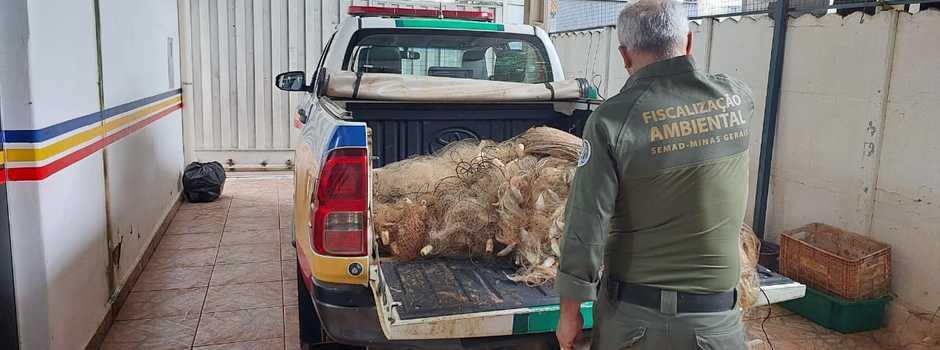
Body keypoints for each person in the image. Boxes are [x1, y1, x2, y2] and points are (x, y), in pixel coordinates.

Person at [554, 0, 755, 348]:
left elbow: (587, 222)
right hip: (718, 324)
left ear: (625, 55)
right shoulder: (737, 99)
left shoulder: (611, 120)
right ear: (689, 42)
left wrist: (569, 313)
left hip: (635, 323)